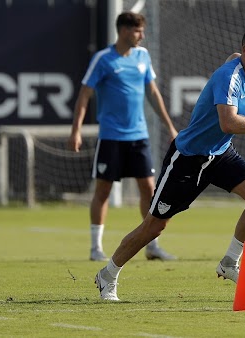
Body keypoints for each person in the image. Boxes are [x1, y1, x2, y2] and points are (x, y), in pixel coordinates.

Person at [94, 26, 245, 301]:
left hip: (221, 154)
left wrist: (240, 58)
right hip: (188, 158)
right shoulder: (229, 77)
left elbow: (233, 59)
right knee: (154, 226)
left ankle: (229, 263)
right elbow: (228, 123)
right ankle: (107, 275)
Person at [68, 12, 178, 262]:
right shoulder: (103, 59)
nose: (142, 35)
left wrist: (170, 127)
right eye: (138, 31)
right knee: (103, 190)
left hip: (138, 136)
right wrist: (75, 130)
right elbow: (84, 95)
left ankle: (153, 245)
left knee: (149, 189)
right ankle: (96, 248)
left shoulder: (143, 56)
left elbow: (152, 92)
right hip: (111, 137)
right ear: (124, 30)